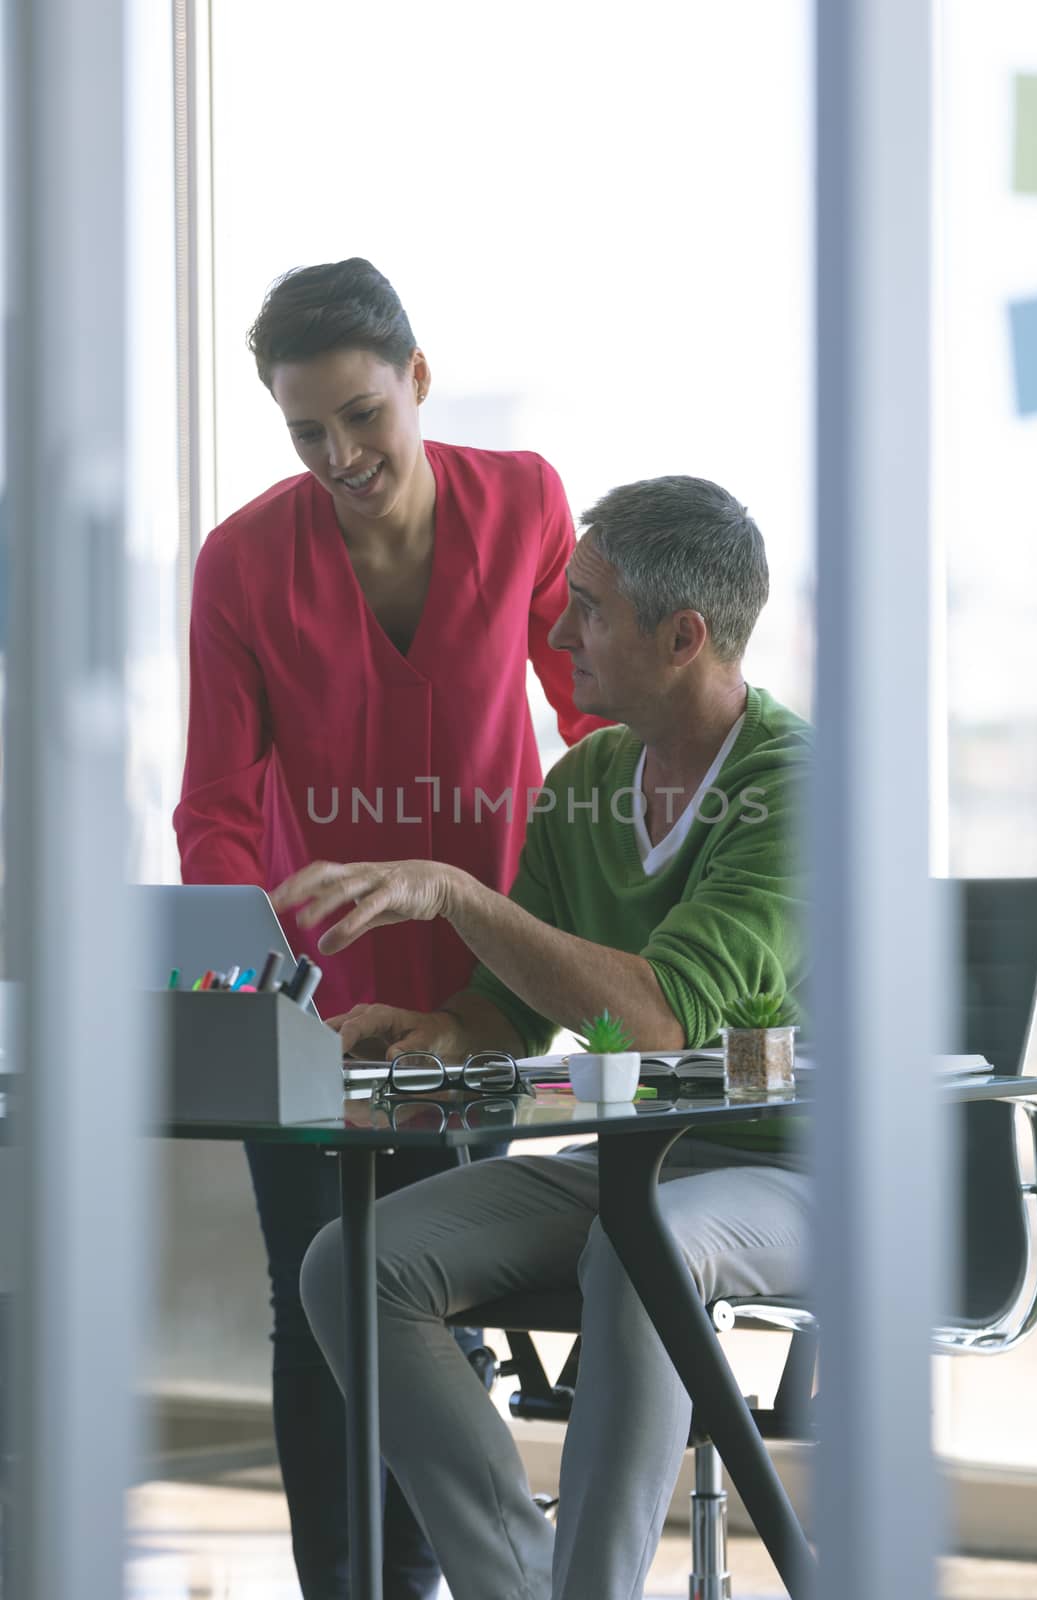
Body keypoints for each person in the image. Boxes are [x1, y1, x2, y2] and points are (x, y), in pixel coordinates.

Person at [282, 474, 814, 1600]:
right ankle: (519, 1580)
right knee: (349, 1263)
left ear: (683, 636)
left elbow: (665, 1015)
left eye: (588, 607)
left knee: (642, 1240)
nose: (559, 630)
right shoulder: (585, 785)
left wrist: (457, 894)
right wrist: (433, 1030)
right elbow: (511, 1010)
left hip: (798, 1171)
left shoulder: (797, 788)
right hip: (637, 1158)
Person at [173, 257, 604, 1600]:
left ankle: (457, 1573)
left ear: (416, 380)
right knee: (317, 1310)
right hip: (314, 1009)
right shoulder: (244, 562)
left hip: (484, 992)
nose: (341, 454)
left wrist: (619, 908)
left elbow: (586, 720)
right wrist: (245, 999)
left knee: (433, 1306)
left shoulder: (525, 501)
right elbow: (218, 812)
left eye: (363, 414)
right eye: (307, 431)